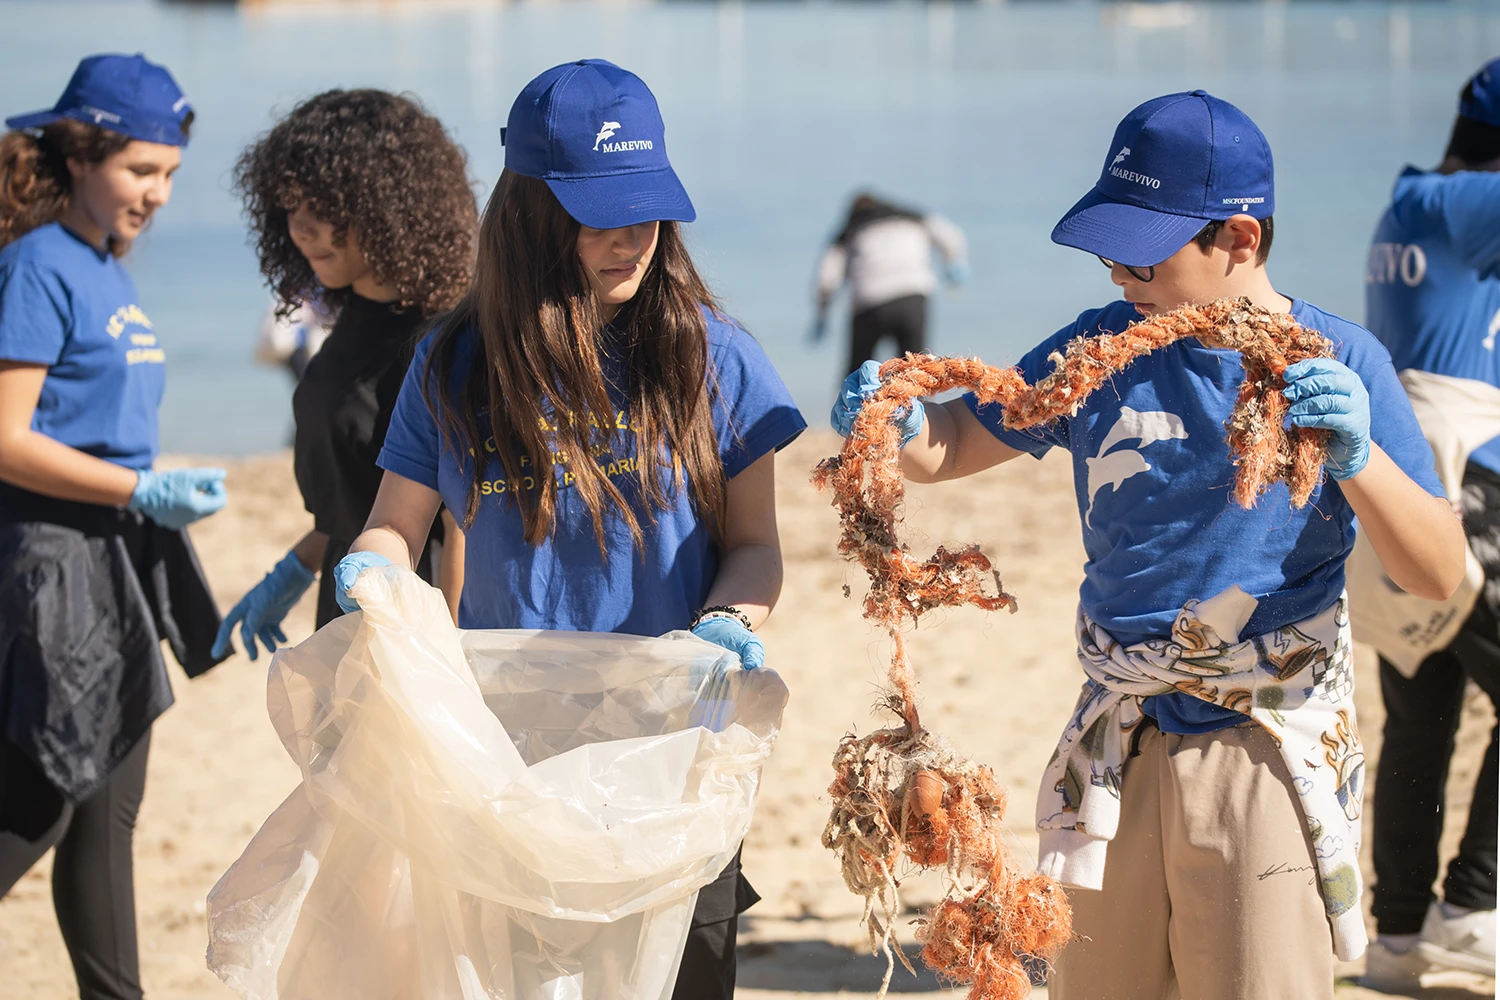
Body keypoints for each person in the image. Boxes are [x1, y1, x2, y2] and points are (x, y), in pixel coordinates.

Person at [831, 91, 1467, 1000]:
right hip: (1118, 736)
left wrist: (1358, 458)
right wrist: (888, 428)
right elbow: (961, 442)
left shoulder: (1337, 360)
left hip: (1262, 740)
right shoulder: (1102, 347)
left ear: (1238, 241)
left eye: (1142, 247)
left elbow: (1436, 573)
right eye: (1108, 243)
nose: (1114, 268)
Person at [331, 59, 806, 998]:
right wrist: (373, 571)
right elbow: (395, 523)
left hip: (675, 751)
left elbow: (755, 543)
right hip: (513, 754)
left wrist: (732, 619)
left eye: (648, 205)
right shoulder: (456, 365)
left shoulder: (715, 358)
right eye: (601, 212)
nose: (633, 235)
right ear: (530, 211)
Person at [0, 54, 228, 1000]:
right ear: (80, 153)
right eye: (142, 170)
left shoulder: (100, 265)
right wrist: (135, 491)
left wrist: (144, 499)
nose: (159, 194)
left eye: (171, 174)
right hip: (55, 563)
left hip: (113, 555)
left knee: (106, 813)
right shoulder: (36, 263)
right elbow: (5, 437)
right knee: (47, 800)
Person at [213, 88, 476, 659]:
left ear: (386, 207)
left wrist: (453, 662)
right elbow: (361, 496)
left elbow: (463, 529)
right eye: (291, 208)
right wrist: (299, 563)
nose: (302, 229)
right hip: (346, 603)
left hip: (414, 623)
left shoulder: (444, 337)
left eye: (325, 211)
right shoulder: (352, 311)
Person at [1360, 58, 1500, 989]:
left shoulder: (1409, 207)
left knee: (1420, 720)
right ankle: (1476, 907)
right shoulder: (1468, 206)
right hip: (1471, 497)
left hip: (1399, 497)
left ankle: (1399, 935)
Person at [813, 191, 968, 376]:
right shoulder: (912, 216)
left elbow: (827, 278)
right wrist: (955, 262)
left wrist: (822, 314)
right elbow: (950, 235)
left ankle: (857, 404)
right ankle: (914, 404)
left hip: (869, 303)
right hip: (913, 296)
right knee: (914, 372)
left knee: (858, 376)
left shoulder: (849, 231)